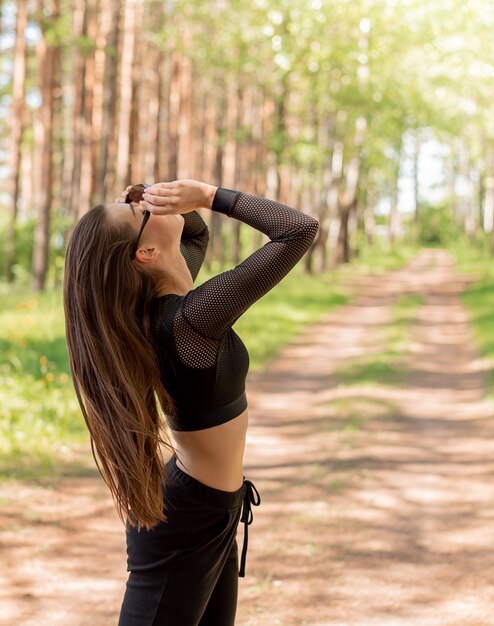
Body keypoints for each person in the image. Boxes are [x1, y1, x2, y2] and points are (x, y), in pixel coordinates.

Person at [62, 179, 319, 625]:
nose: (142, 204)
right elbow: (298, 229)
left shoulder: (170, 302)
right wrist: (208, 195)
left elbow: (195, 234)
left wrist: (155, 200)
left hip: (209, 507)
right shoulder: (189, 320)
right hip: (188, 520)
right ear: (146, 254)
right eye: (136, 211)